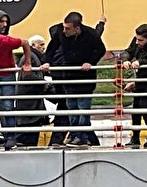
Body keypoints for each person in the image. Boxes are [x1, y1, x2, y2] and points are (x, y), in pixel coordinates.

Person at [40, 12, 106, 149]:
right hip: (68, 77)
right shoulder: (61, 33)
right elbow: (51, 48)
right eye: (64, 27)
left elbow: (101, 49)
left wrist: (90, 62)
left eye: (68, 28)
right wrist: (46, 62)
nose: (64, 31)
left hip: (84, 79)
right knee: (71, 108)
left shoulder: (91, 35)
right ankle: (75, 134)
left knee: (82, 108)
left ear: (77, 28)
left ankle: (81, 136)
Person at [15, 37, 49, 147]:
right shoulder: (30, 57)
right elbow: (28, 77)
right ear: (33, 45)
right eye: (41, 44)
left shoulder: (32, 57)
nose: (43, 47)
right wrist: (45, 84)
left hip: (29, 102)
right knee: (27, 138)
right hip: (29, 103)